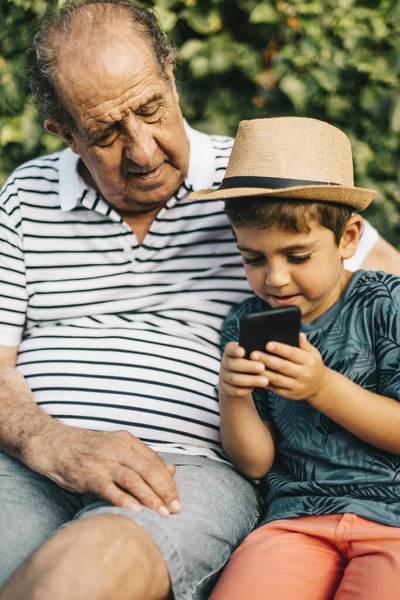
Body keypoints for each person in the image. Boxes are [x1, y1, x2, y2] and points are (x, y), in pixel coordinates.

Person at [0, 1, 398, 598]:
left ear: (171, 74)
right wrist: (47, 440)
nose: (142, 151)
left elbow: (373, 284)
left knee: (77, 578)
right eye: (106, 133)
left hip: (183, 472)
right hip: (28, 462)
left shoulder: (257, 184)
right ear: (65, 132)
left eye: (150, 109)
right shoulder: (24, 196)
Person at [190, 116, 400, 600]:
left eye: (298, 256)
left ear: (347, 239)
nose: (275, 279)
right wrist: (235, 396)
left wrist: (323, 388)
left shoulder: (386, 304)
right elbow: (257, 464)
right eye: (253, 259)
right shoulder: (248, 324)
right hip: (296, 519)